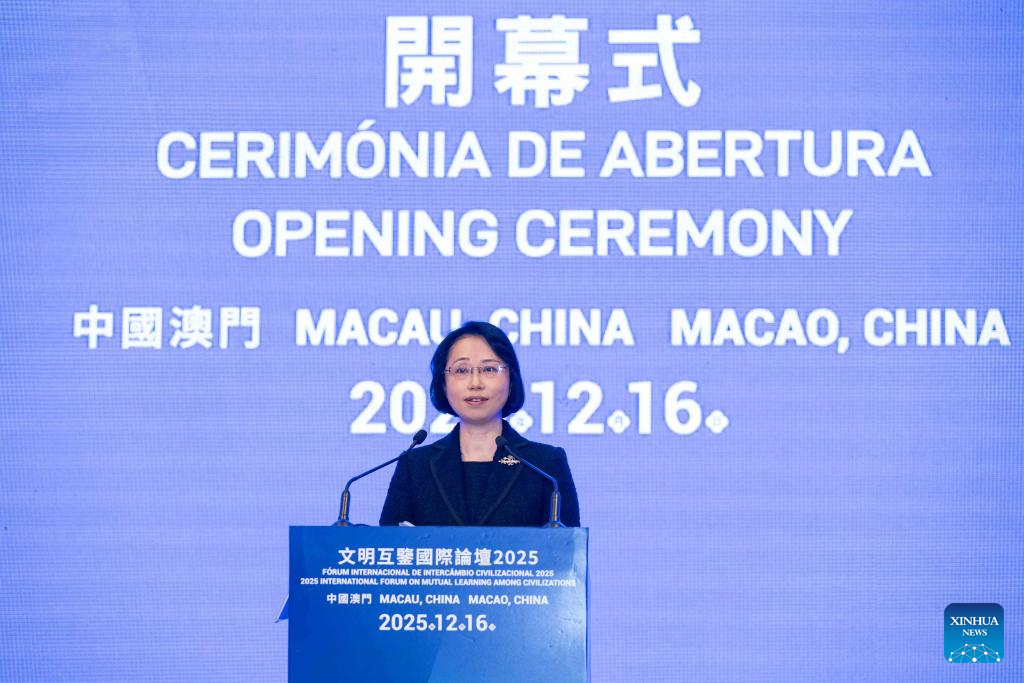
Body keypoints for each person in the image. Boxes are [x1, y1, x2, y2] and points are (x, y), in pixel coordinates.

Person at [380, 321, 580, 527]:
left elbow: (567, 552)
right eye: (461, 371)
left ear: (511, 380)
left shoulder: (545, 465)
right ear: (443, 384)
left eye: (489, 369)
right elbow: (387, 550)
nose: (475, 383)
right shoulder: (415, 465)